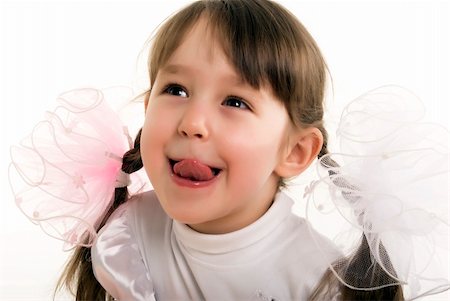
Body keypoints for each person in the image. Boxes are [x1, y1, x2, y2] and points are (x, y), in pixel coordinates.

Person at [8, 1, 449, 300]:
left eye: (235, 102)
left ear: (295, 151)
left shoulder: (318, 280)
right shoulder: (130, 234)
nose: (193, 122)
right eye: (176, 89)